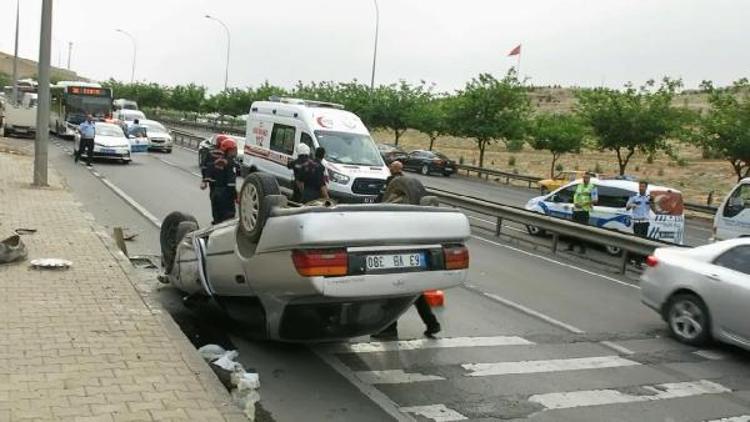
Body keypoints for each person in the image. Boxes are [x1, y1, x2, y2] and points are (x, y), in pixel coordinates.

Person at [372, 161, 441, 340]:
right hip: (416, 251)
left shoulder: (390, 192)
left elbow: (378, 213)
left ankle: (389, 327)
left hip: (399, 251)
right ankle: (432, 324)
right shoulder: (414, 198)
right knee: (414, 291)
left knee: (394, 289)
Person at [201, 137, 238, 224]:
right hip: (225, 195)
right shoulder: (230, 163)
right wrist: (236, 196)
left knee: (217, 217)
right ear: (228, 150)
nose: (235, 152)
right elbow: (231, 184)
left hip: (215, 192)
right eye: (233, 150)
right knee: (227, 220)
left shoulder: (217, 161)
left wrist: (205, 181)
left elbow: (206, 169)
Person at [567, 172, 598, 253]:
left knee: (582, 231)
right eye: (584, 177)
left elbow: (595, 200)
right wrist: (575, 204)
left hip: (584, 211)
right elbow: (576, 196)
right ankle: (571, 247)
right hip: (576, 210)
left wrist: (584, 204)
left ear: (590, 178)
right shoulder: (579, 186)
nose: (585, 179)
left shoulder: (593, 187)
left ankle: (582, 249)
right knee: (573, 229)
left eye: (587, 177)